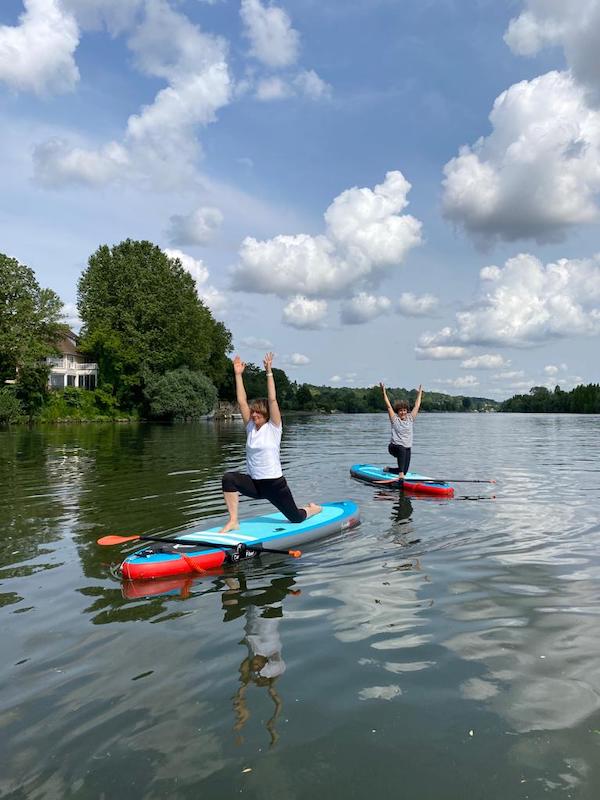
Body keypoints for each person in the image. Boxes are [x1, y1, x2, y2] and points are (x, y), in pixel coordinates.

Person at [220, 352, 321, 532]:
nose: (253, 414)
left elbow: (272, 399)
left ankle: (312, 509)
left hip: (275, 485)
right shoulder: (250, 427)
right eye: (253, 412)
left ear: (266, 414)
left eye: (258, 412)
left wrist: (269, 372)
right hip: (255, 484)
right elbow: (242, 401)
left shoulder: (274, 428)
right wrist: (238, 375)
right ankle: (233, 520)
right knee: (228, 478)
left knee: (296, 519)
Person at [379, 382, 423, 479]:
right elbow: (388, 406)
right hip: (394, 447)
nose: (403, 412)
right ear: (397, 412)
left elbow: (417, 406)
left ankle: (389, 470)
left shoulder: (410, 418)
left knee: (405, 470)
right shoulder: (395, 419)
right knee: (402, 449)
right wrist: (384, 393)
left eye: (404, 410)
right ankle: (401, 474)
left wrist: (420, 393)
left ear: (407, 411)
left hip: (406, 448)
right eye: (400, 411)